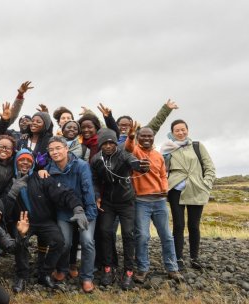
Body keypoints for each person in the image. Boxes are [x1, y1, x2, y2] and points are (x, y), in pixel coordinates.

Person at [5, 149, 89, 293]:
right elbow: (4, 212)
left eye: (28, 160)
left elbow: (63, 193)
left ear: (33, 164)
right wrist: (12, 193)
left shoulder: (41, 177)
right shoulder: (8, 181)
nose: (25, 163)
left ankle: (45, 273)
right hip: (22, 221)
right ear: (15, 162)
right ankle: (22, 276)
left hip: (44, 220)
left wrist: (77, 208)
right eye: (21, 160)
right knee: (20, 241)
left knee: (59, 242)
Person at [124, 122, 184, 283]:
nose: (146, 138)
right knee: (142, 236)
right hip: (141, 202)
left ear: (153, 138)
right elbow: (128, 148)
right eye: (142, 135)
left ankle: (172, 268)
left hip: (160, 201)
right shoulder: (135, 151)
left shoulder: (158, 155)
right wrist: (130, 137)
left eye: (149, 136)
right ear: (138, 137)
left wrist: (165, 188)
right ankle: (142, 269)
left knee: (167, 236)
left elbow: (163, 175)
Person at [90, 128, 149, 290]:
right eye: (105, 143)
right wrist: (97, 195)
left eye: (111, 142)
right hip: (108, 202)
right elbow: (94, 180)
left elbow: (134, 162)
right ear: (100, 144)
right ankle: (108, 268)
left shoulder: (123, 154)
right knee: (105, 232)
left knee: (128, 234)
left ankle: (129, 271)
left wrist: (142, 166)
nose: (108, 146)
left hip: (126, 202)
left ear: (115, 143)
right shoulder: (96, 159)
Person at [41, 136, 98, 293]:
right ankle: (62, 269)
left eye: (58, 148)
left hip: (85, 210)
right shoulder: (48, 170)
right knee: (64, 243)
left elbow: (88, 190)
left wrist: (90, 214)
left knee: (87, 242)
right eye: (51, 150)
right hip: (64, 213)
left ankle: (87, 277)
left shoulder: (81, 165)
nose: (55, 152)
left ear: (66, 148)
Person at [160, 119, 216, 270]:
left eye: (183, 129)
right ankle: (178, 258)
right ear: (172, 133)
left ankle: (194, 258)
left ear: (187, 130)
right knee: (178, 225)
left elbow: (209, 167)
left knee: (194, 225)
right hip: (175, 191)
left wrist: (206, 184)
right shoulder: (167, 149)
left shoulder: (197, 146)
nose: (180, 132)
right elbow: (162, 170)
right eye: (177, 130)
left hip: (196, 189)